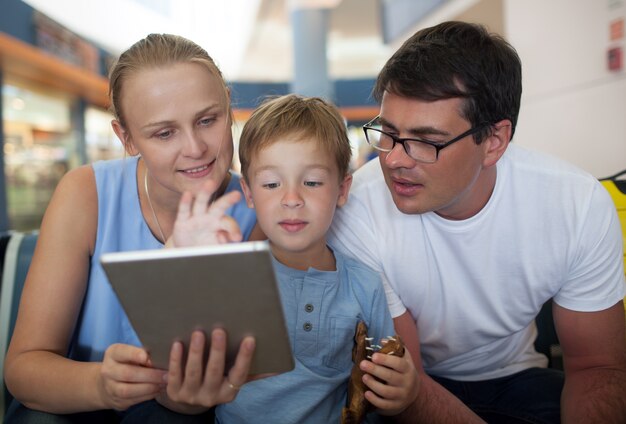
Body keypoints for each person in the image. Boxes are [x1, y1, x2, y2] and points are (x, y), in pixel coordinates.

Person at [328, 21, 626, 424]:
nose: (394, 159)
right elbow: (407, 380)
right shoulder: (356, 210)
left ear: (494, 142)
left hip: (520, 379)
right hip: (415, 385)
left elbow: (597, 367)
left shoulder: (576, 204)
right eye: (389, 132)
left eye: (426, 140)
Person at [4, 33, 262, 422]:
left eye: (208, 120)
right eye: (164, 133)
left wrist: (184, 400)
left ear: (228, 105)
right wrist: (102, 385)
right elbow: (24, 370)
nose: (195, 147)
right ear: (126, 138)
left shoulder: (261, 211)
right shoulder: (84, 193)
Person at [166, 94, 420, 423]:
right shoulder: (230, 278)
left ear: (342, 190)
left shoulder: (366, 286)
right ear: (249, 193)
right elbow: (184, 371)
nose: (291, 199)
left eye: (312, 182)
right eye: (271, 184)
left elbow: (383, 381)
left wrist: (404, 393)